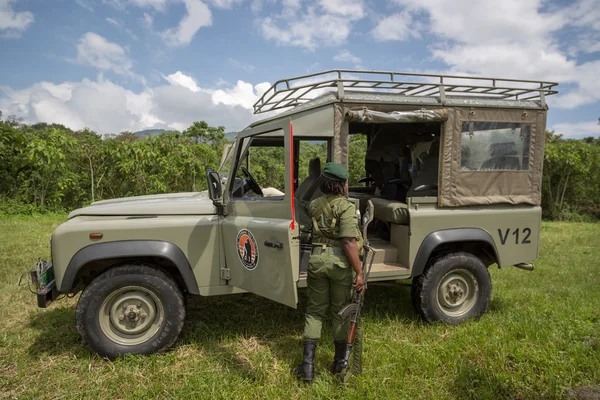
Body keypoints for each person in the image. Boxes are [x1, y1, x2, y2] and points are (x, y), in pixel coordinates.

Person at [294, 162, 364, 381]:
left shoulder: (314, 204)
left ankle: (307, 367)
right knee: (340, 312)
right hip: (339, 265)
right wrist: (359, 273)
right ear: (342, 185)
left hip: (316, 261)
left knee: (314, 311)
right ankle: (339, 364)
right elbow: (349, 242)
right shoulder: (346, 207)